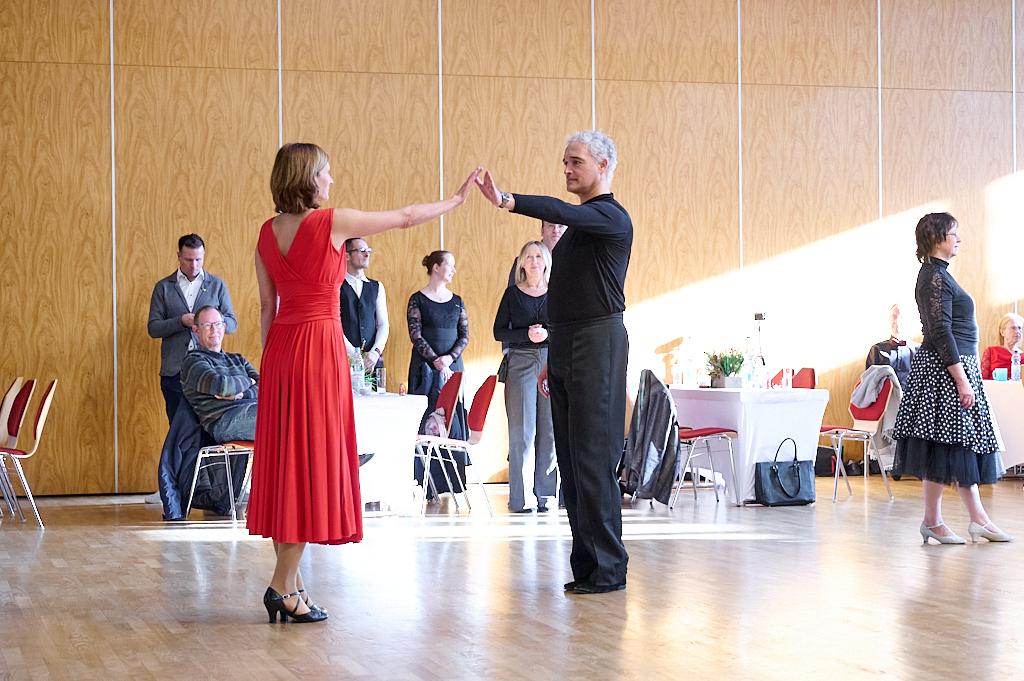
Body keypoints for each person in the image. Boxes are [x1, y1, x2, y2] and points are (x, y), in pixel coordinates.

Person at [246, 142, 479, 624]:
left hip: (282, 351)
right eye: (326, 173)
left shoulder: (267, 234)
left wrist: (271, 367)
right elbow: (407, 216)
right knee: (311, 463)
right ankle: (278, 585)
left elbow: (267, 309)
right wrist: (455, 202)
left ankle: (293, 587)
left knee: (290, 462)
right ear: (309, 177)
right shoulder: (330, 222)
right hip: (317, 348)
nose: (331, 180)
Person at [476, 130, 632, 594]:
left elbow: (562, 211)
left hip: (599, 342)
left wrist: (508, 200)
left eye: (576, 162)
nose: (567, 170)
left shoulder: (609, 217)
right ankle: (586, 566)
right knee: (569, 457)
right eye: (564, 161)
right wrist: (552, 358)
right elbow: (563, 297)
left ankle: (608, 569)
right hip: (566, 345)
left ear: (603, 166)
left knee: (592, 458)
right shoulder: (577, 234)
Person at [892, 212, 1012, 545]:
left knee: (944, 445)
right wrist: (961, 379)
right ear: (938, 237)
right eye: (954, 234)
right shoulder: (932, 276)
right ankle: (978, 519)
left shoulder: (939, 275)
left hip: (953, 367)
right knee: (956, 442)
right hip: (945, 371)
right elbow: (939, 331)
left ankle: (935, 520)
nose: (959, 239)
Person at [148, 233, 237, 425]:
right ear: (178, 256)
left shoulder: (217, 285)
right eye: (189, 259)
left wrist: (211, 322)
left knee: (210, 429)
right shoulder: (163, 287)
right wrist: (180, 321)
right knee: (179, 431)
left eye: (199, 259)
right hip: (174, 373)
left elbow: (232, 323)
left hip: (211, 370)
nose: (194, 265)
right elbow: (153, 328)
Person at [494, 241, 556, 513]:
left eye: (538, 256)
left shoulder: (557, 293)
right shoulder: (511, 294)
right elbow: (499, 331)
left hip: (551, 362)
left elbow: (569, 328)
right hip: (520, 361)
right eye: (528, 257)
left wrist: (547, 335)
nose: (533, 261)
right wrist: (525, 335)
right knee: (521, 431)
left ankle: (547, 495)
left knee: (550, 429)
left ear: (545, 262)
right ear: (521, 263)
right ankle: (520, 499)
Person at [408, 251, 470, 494]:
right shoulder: (417, 299)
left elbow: (464, 335)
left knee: (452, 422)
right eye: (450, 265)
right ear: (436, 267)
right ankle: (426, 486)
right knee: (427, 422)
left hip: (452, 368)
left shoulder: (457, 301)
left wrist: (448, 360)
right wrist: (436, 361)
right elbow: (416, 334)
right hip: (425, 368)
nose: (454, 270)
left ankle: (451, 484)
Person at [179, 306, 259, 444]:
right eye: (207, 325)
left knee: (297, 412)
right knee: (283, 419)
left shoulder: (238, 359)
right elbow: (222, 387)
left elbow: (266, 388)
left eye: (217, 324)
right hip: (224, 421)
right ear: (196, 330)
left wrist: (240, 395)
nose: (214, 329)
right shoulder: (193, 362)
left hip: (252, 410)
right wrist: (250, 381)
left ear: (224, 327)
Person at [340, 237, 389, 383]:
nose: (367, 254)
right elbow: (333, 324)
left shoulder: (377, 286)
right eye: (362, 251)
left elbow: (383, 324)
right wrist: (353, 354)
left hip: (372, 362)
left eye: (368, 251)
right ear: (347, 255)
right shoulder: (336, 286)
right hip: (343, 359)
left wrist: (375, 352)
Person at [865, 304, 917, 391]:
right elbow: (869, 384)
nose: (897, 321)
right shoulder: (877, 350)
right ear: (889, 320)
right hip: (887, 402)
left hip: (912, 402)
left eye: (902, 317)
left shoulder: (918, 350)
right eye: (894, 317)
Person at [506, 220, 566, 287]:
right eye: (550, 226)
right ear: (542, 231)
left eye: (561, 226)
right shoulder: (523, 261)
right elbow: (513, 295)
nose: (556, 230)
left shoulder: (574, 262)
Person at [980, 312, 1024, 379]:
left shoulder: (1022, 356)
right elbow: (982, 379)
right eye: (1013, 328)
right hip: (993, 388)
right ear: (1002, 332)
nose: (1017, 331)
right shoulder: (991, 352)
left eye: (1019, 328)